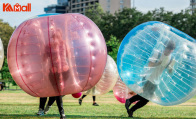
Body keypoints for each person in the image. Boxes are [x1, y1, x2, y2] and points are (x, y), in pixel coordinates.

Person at [125, 40, 176, 118]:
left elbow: (169, 72)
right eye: (168, 49)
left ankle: (131, 107)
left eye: (171, 50)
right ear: (164, 47)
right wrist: (158, 63)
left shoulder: (171, 58)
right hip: (148, 76)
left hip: (156, 80)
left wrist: (171, 67)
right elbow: (149, 64)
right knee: (146, 96)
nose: (169, 51)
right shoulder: (158, 53)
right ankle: (130, 104)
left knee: (146, 98)